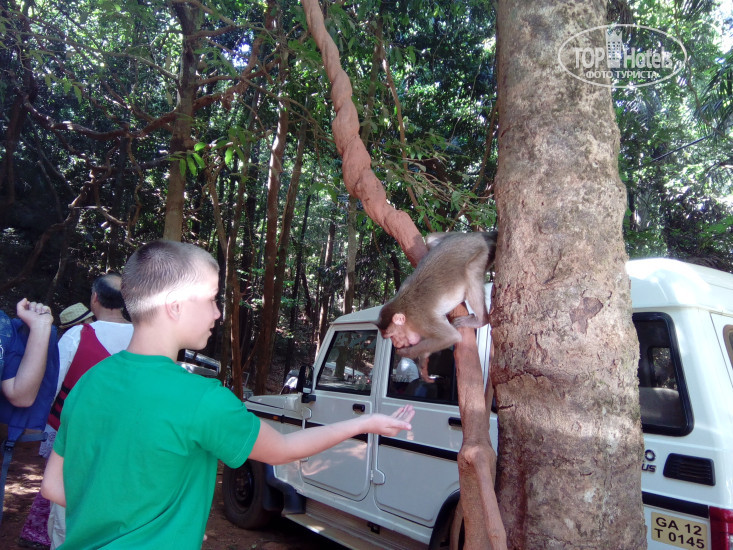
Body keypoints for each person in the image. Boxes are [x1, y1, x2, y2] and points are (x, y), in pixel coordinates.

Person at [41, 240, 414, 549]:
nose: (218, 313)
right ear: (174, 305)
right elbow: (283, 449)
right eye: (211, 299)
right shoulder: (201, 398)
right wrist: (363, 423)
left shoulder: (89, 381)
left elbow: (54, 486)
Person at [41, 274, 133, 548]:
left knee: (66, 520)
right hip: (127, 445)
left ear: (94, 298)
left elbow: (50, 389)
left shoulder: (77, 336)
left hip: (75, 445)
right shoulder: (145, 338)